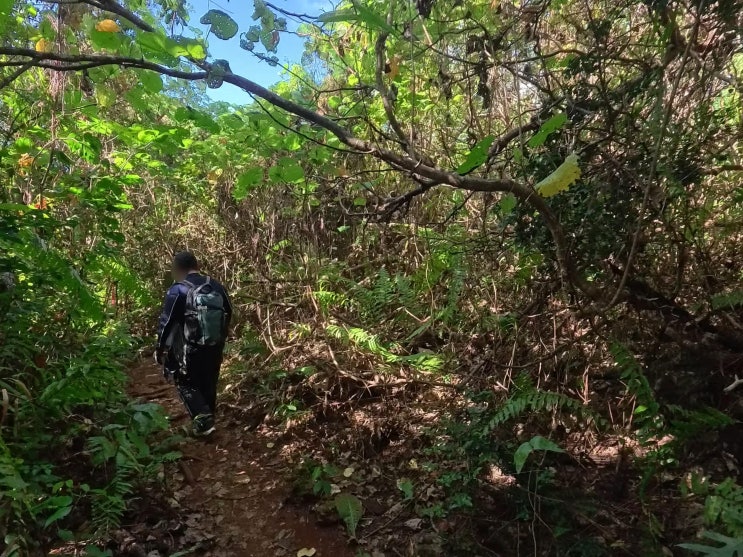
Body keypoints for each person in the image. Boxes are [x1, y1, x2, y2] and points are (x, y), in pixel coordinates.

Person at [155, 251, 232, 437]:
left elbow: (167, 322)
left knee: (184, 381)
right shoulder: (216, 286)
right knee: (209, 381)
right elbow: (228, 311)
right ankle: (207, 419)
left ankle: (204, 423)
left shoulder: (178, 289)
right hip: (215, 345)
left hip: (190, 347)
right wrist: (219, 338)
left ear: (177, 269)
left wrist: (161, 349)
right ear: (197, 266)